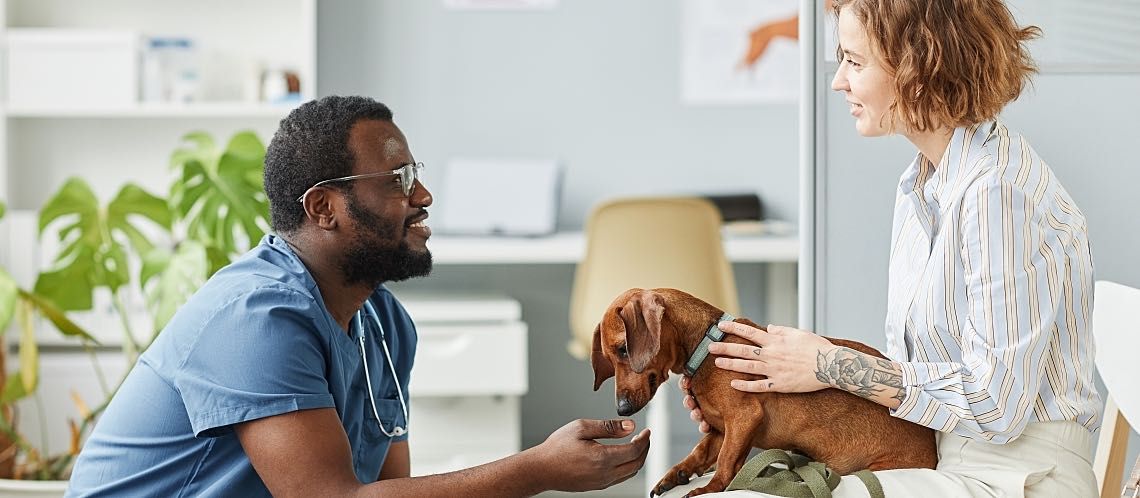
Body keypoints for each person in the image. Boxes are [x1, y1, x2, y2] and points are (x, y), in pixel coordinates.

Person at [66, 95, 650, 497]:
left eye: (415, 173)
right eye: (397, 179)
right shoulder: (255, 317)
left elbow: (384, 490)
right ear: (324, 207)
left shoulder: (384, 323)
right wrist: (536, 469)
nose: (422, 194)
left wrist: (538, 469)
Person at [680, 1, 1101, 496]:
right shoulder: (922, 184)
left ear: (920, 70)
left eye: (855, 62)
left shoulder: (997, 195)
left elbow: (997, 407)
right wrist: (768, 397)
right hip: (946, 455)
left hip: (1018, 477)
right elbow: (929, 380)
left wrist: (827, 364)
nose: (839, 80)